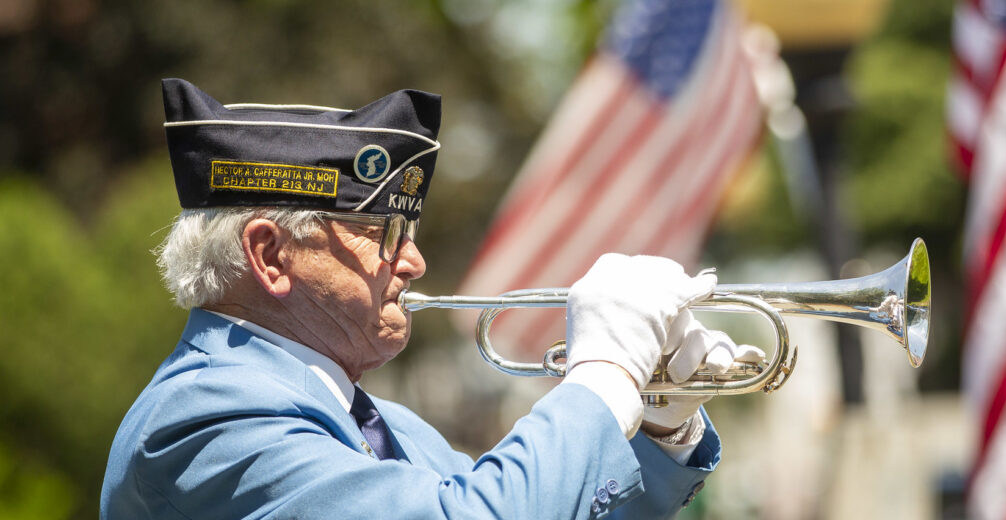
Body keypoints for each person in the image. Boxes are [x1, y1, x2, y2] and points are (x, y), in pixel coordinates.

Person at [101, 78, 763, 519]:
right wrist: (603, 380)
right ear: (271, 256)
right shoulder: (204, 419)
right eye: (383, 233)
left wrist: (660, 426)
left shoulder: (388, 427)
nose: (413, 262)